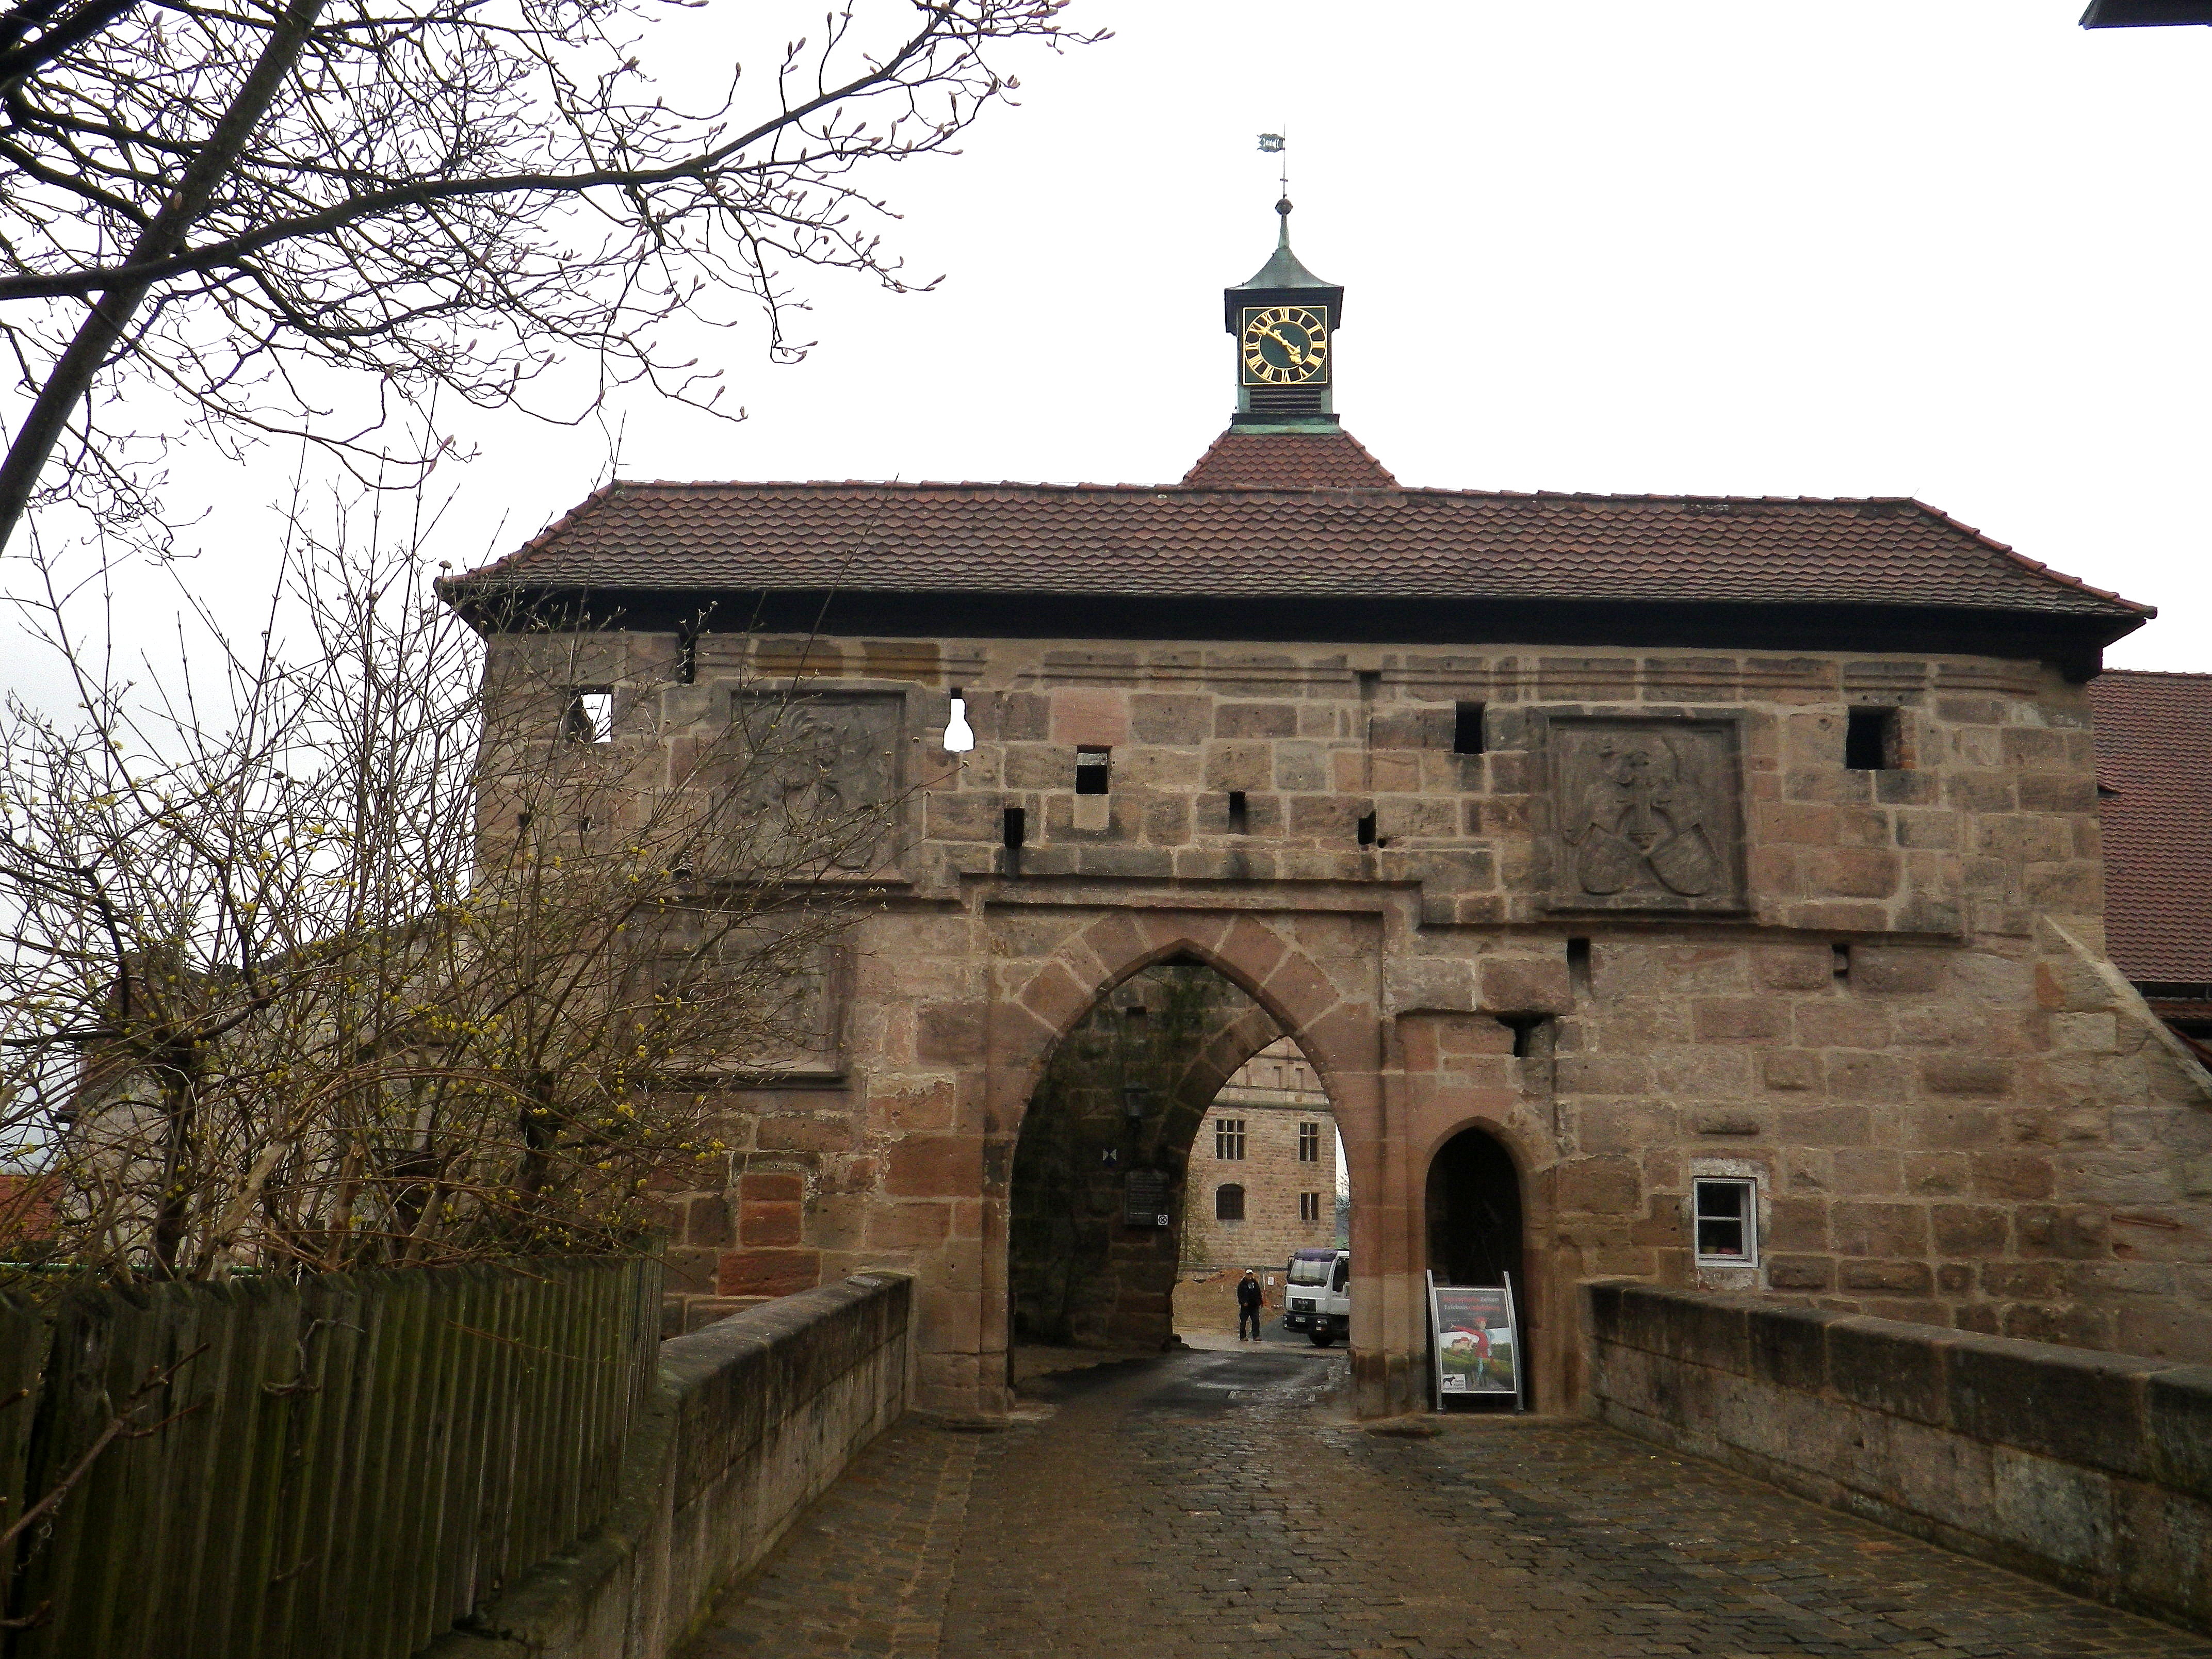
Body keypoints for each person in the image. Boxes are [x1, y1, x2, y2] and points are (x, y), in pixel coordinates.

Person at [1237, 1268, 1263, 1342]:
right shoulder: (1242, 1284)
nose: (1249, 1276)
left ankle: (1256, 1336)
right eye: (1248, 1274)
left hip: (1254, 1306)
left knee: (1256, 1321)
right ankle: (1243, 1336)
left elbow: (1258, 1293)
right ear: (1246, 1275)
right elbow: (1240, 1295)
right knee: (1243, 1321)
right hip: (1245, 1307)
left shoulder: (1255, 1283)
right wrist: (1243, 1302)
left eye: (1251, 1274)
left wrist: (1261, 1302)